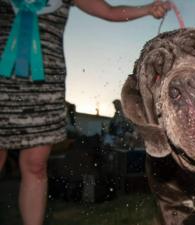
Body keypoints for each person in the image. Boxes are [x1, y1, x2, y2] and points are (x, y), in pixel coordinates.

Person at [0, 1, 170, 225]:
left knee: (36, 165)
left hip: (45, 84)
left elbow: (109, 11)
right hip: (2, 81)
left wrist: (147, 9)